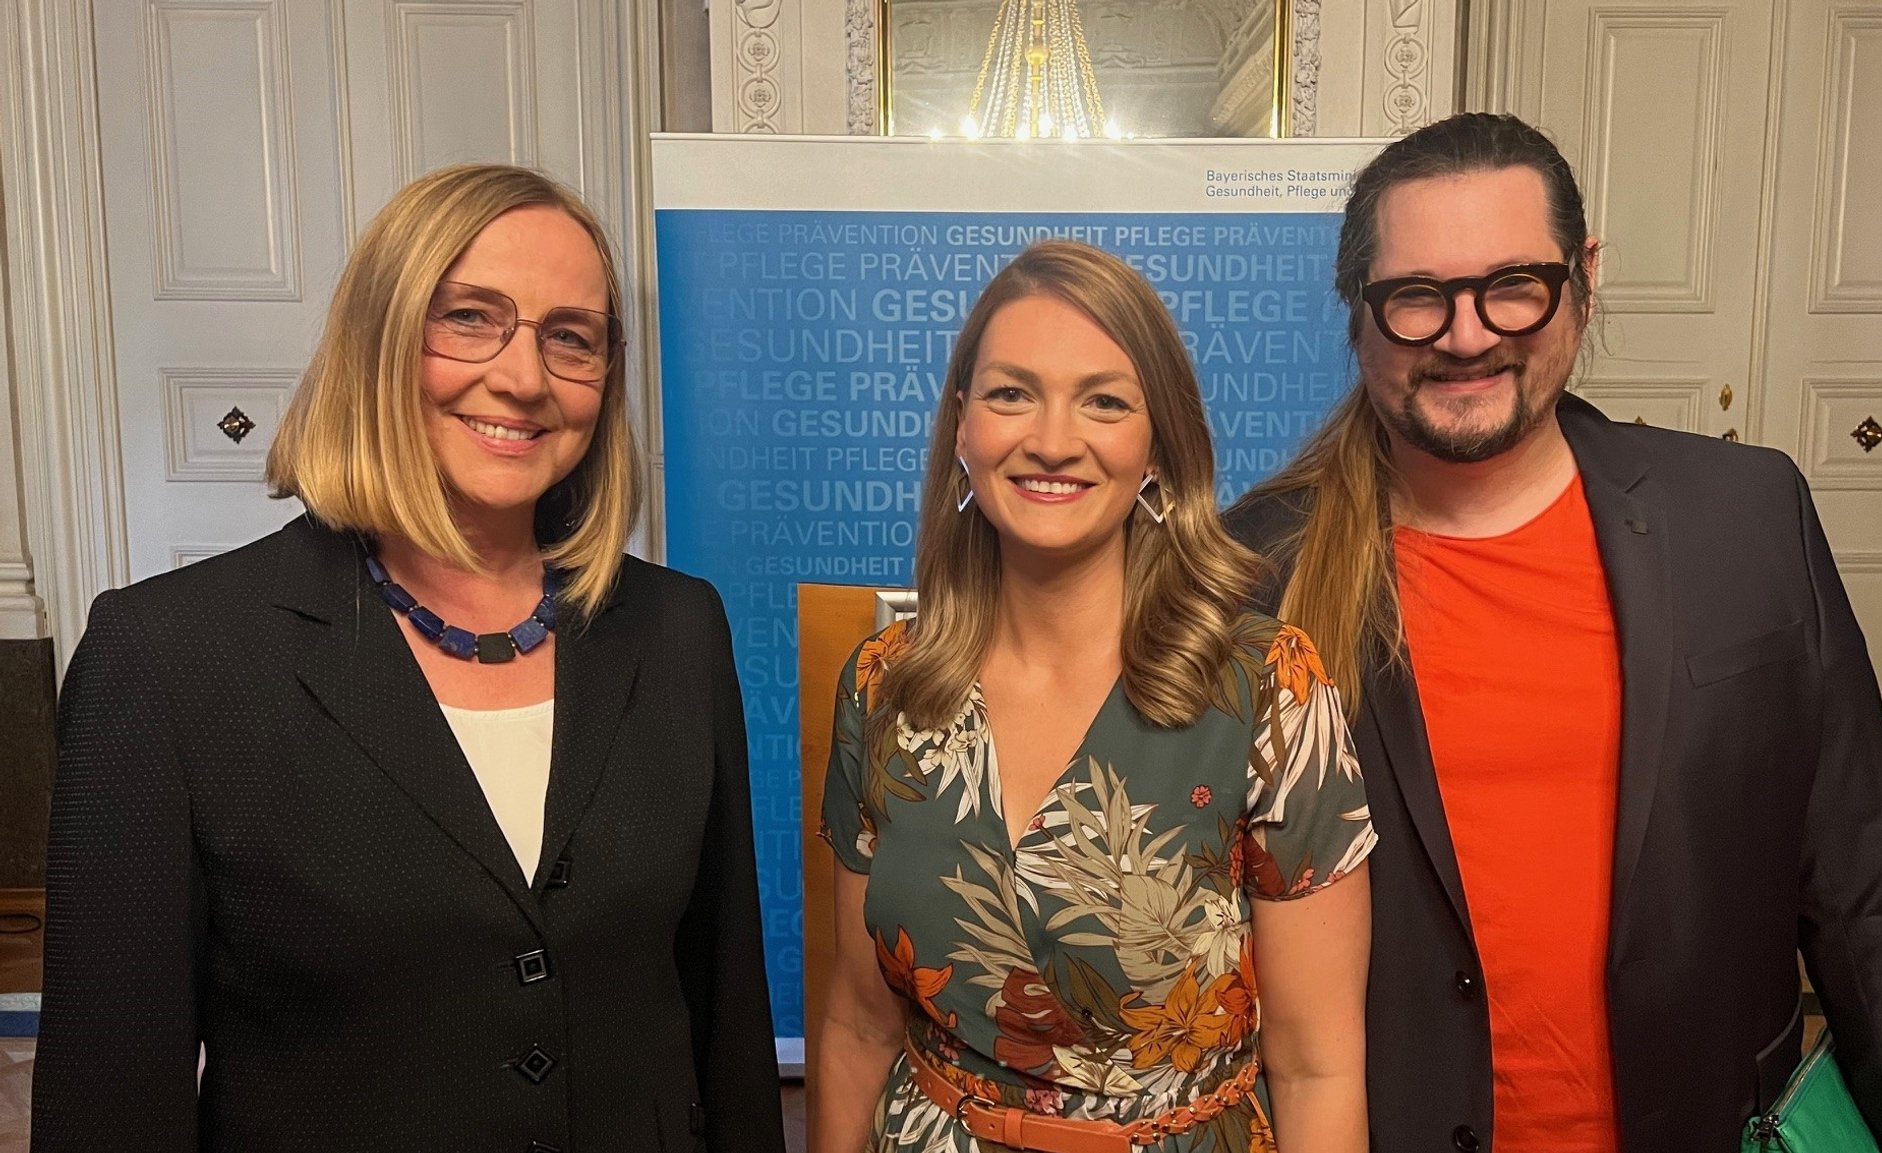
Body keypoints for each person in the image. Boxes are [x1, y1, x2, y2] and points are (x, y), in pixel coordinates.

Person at [1225, 111, 1882, 1152]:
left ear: (1583, 277)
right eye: (1416, 298)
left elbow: (1874, 906)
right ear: (1356, 313)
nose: (1466, 334)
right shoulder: (1248, 575)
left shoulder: (1745, 518)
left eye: (1513, 284)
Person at [33, 164, 782, 1152]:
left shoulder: (679, 628)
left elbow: (722, 1013)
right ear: (376, 340)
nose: (523, 377)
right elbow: (111, 1095)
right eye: (470, 316)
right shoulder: (169, 657)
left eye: (571, 336)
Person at [810, 240, 1376, 1153]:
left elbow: (1318, 1069)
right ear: (962, 427)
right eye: (1011, 393)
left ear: (1157, 446)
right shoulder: (887, 684)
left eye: (1104, 400)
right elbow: (858, 1025)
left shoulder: (1268, 689)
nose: (1051, 438)